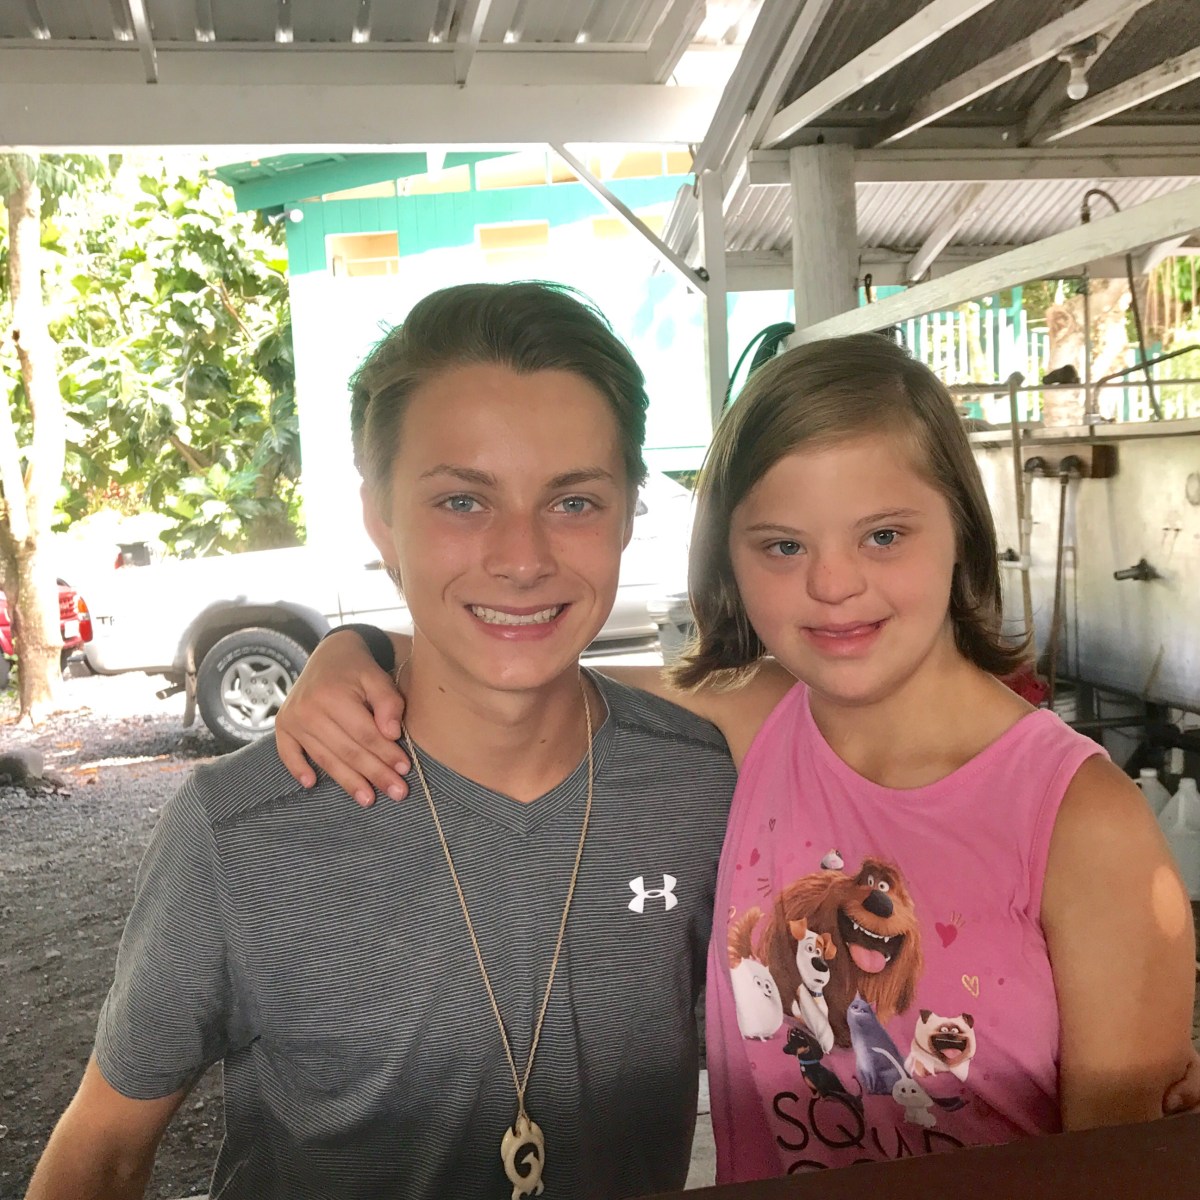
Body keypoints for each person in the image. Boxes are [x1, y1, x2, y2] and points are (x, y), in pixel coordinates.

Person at [275, 333, 1199, 1180]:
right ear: (729, 559)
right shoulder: (755, 721)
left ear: (961, 527)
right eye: (783, 546)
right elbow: (509, 674)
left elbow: (1120, 1175)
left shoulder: (1082, 823)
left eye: (884, 535)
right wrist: (354, 651)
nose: (833, 583)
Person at [25, 282, 737, 1200]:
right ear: (379, 516)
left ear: (631, 511)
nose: (523, 558)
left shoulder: (704, 786)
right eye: (462, 502)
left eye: (573, 502)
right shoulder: (238, 828)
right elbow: (103, 1151)